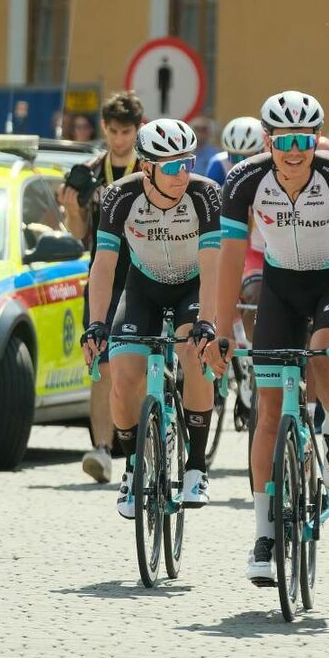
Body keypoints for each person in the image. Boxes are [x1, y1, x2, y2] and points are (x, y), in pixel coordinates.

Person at [205, 89, 329, 585]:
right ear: (268, 140)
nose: (294, 151)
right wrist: (218, 328)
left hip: (328, 281)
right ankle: (263, 533)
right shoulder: (243, 180)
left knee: (323, 357)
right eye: (283, 140)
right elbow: (231, 260)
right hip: (279, 284)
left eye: (303, 139)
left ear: (316, 139)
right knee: (268, 412)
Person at [80, 119, 222, 512]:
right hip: (142, 287)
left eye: (188, 162)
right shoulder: (119, 196)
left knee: (195, 355)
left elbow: (213, 265)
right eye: (172, 166)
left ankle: (195, 468)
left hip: (191, 287)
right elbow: (104, 265)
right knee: (123, 377)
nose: (183, 174)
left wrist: (208, 321)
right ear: (147, 168)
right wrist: (96, 323)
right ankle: (131, 468)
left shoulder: (205, 195)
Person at [59, 91, 142, 483]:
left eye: (126, 131)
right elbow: (78, 235)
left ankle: (140, 446)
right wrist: (73, 206)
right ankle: (101, 449)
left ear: (138, 130)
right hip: (105, 274)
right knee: (102, 363)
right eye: (112, 130)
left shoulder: (150, 168)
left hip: (145, 270)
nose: (119, 139)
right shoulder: (91, 169)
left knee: (137, 364)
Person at [205, 116, 264, 186]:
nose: (241, 164)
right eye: (235, 158)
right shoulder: (219, 163)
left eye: (249, 159)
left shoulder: (273, 162)